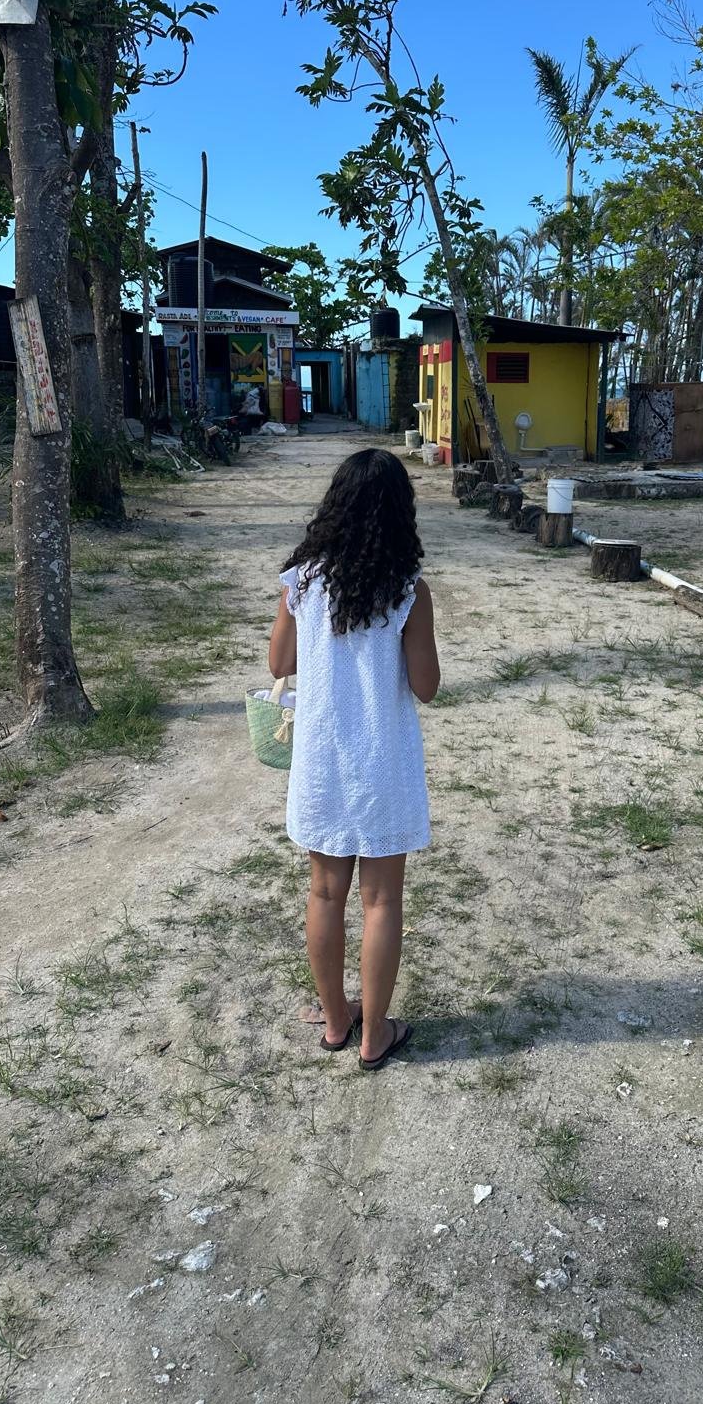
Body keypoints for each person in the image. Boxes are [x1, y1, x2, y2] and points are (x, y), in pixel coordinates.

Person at [267, 448, 440, 1072]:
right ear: (400, 513)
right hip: (383, 762)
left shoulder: (302, 583)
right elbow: (426, 686)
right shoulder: (408, 591)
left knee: (324, 892)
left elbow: (280, 664)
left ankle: (337, 1020)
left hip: (322, 761)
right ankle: (376, 1035)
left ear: (333, 506)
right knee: (382, 902)